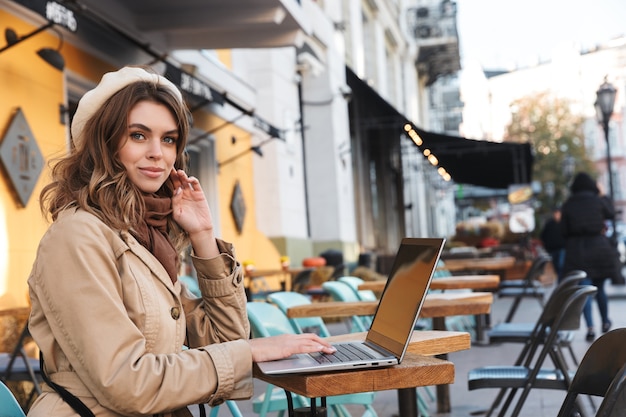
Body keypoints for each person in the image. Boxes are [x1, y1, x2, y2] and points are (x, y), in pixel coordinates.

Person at [26, 65, 336, 417]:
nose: (158, 152)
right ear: (105, 144)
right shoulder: (78, 236)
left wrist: (203, 237)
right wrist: (249, 354)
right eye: (139, 136)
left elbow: (226, 341)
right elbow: (128, 384)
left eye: (169, 139)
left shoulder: (146, 237)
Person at [560, 172, 619, 342]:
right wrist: (602, 193)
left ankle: (590, 327)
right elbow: (611, 213)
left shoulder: (569, 204)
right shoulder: (597, 200)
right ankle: (606, 321)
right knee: (600, 289)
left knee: (584, 291)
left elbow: (563, 231)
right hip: (599, 249)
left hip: (577, 251)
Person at [539, 206, 566, 282]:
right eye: (555, 213)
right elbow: (543, 236)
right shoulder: (549, 224)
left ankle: (560, 282)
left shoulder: (564, 224)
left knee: (561, 266)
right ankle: (560, 281)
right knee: (556, 266)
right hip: (552, 249)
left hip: (562, 248)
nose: (556, 215)